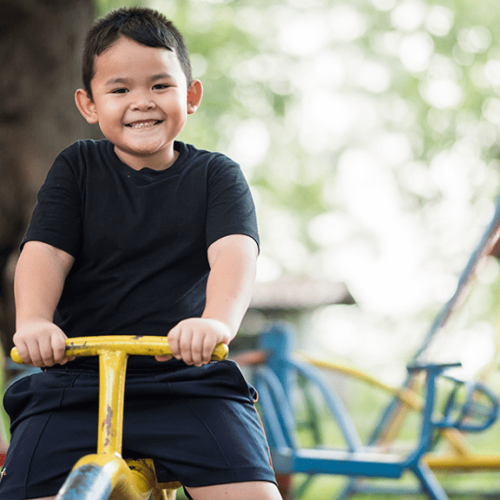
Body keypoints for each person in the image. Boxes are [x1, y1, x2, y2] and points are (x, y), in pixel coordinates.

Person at [0, 7, 282, 500]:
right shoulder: (77, 168)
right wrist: (35, 321)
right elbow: (45, 253)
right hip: (78, 382)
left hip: (185, 379)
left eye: (159, 85)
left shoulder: (216, 176)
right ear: (89, 104)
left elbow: (235, 253)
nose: (141, 102)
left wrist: (215, 322)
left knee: (253, 493)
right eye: (120, 89)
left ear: (190, 96)